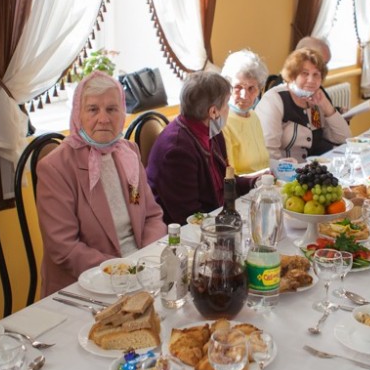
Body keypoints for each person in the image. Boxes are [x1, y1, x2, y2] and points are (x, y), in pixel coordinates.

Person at [36, 72, 165, 296]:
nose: (103, 118)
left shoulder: (128, 153)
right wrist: (123, 270)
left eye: (112, 109)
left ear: (122, 112)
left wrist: (143, 260)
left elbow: (151, 215)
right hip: (85, 286)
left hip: (139, 273)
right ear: (78, 113)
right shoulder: (55, 167)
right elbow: (64, 248)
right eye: (93, 109)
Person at [147, 71, 252, 225]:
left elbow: (226, 181)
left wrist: (255, 183)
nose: (228, 109)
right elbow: (189, 217)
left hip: (216, 217)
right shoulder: (177, 150)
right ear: (213, 111)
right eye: (227, 103)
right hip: (185, 232)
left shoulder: (212, 131)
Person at [255, 48, 351, 163]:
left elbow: (343, 138)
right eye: (305, 73)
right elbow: (269, 152)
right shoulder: (274, 99)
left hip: (316, 170)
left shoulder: (316, 98)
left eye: (316, 74)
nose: (311, 80)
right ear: (292, 75)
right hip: (287, 174)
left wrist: (326, 106)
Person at [219, 49, 270, 175]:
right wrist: (265, 175)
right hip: (242, 191)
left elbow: (262, 163)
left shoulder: (253, 115)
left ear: (259, 89)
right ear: (227, 87)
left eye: (251, 88)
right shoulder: (222, 123)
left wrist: (280, 165)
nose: (244, 95)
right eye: (238, 87)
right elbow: (229, 176)